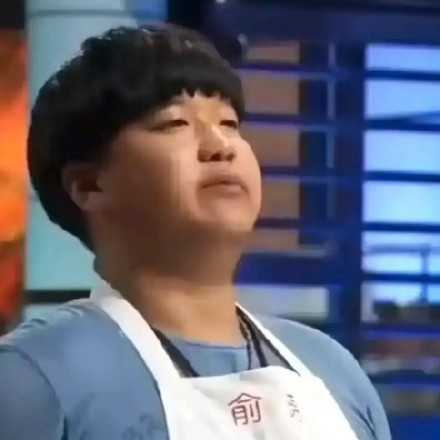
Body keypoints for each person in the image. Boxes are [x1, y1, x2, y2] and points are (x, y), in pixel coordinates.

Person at [0, 24, 391, 440]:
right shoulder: (33, 377)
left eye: (229, 122)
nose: (220, 145)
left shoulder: (330, 367)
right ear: (89, 185)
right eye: (175, 123)